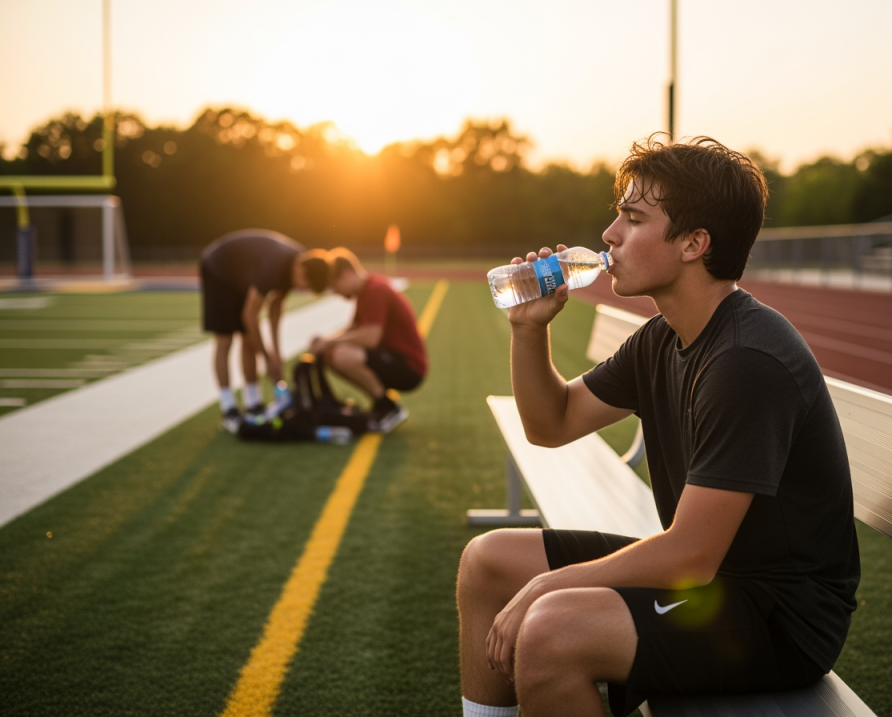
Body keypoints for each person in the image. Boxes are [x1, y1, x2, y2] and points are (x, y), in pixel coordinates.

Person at [456, 136, 860, 717]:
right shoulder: (662, 337)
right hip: (711, 576)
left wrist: (549, 585)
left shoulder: (747, 359)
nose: (609, 234)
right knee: (489, 562)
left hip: (775, 611)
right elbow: (552, 423)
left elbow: (690, 557)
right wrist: (528, 330)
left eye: (633, 217)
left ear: (695, 243)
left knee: (550, 631)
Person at [200, 229, 330, 432]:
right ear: (302, 272)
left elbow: (275, 309)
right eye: (306, 286)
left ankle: (253, 403)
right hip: (219, 268)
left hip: (239, 275)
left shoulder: (299, 262)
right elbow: (250, 316)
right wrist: (266, 358)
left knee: (246, 337)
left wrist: (276, 353)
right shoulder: (275, 265)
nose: (303, 290)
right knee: (225, 339)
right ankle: (229, 409)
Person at [309, 247, 427, 433]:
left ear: (346, 275)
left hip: (410, 366)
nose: (336, 293)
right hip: (391, 358)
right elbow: (353, 330)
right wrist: (326, 340)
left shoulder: (376, 289)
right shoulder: (365, 292)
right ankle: (380, 404)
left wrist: (330, 342)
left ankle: (388, 407)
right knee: (332, 354)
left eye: (334, 286)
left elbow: (370, 338)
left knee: (342, 355)